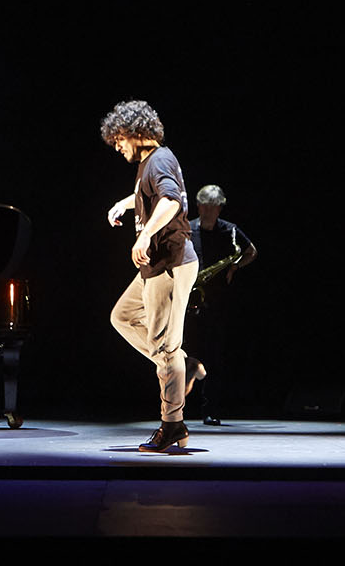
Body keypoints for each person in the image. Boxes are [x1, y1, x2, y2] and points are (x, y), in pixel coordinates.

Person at [101, 100, 202, 452]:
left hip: (169, 265)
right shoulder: (151, 163)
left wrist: (144, 235)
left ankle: (173, 425)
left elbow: (171, 201)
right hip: (154, 267)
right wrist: (125, 203)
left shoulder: (158, 160)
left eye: (119, 140)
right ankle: (183, 365)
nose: (118, 147)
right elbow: (150, 195)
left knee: (163, 346)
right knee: (123, 316)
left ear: (136, 132)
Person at [188, 184, 258, 425]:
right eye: (204, 208)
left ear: (219, 208)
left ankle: (210, 409)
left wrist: (235, 266)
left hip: (217, 302)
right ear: (198, 206)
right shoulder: (188, 229)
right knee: (184, 353)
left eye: (213, 208)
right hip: (189, 299)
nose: (207, 213)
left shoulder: (230, 231)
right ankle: (178, 407)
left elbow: (251, 251)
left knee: (214, 356)